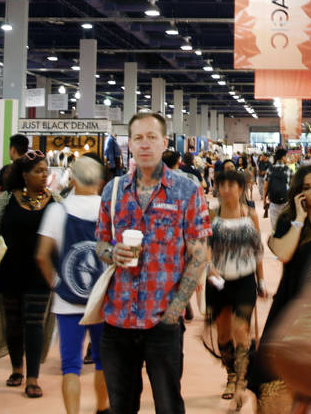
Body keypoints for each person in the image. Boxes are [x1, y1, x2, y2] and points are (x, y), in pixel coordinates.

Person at [94, 112, 211, 414]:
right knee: (121, 405)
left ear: (164, 143)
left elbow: (199, 254)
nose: (144, 144)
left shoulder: (187, 190)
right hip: (117, 317)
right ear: (129, 144)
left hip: (162, 319)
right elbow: (101, 244)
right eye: (138, 138)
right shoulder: (114, 190)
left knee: (168, 404)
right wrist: (112, 253)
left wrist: (175, 310)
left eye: (151, 137)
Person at [250, 165, 311, 413]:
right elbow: (283, 254)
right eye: (307, 187)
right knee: (273, 382)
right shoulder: (289, 221)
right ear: (299, 194)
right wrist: (300, 219)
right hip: (290, 306)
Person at [0, 150, 62, 399]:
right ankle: (16, 368)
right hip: (10, 271)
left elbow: (67, 233)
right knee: (14, 323)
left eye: (46, 171)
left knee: (34, 323)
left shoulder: (55, 201)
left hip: (41, 273)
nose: (44, 175)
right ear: (24, 175)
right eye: (38, 171)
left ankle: (33, 377)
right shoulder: (7, 199)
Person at [36, 156, 110, 414]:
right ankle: (102, 408)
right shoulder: (108, 210)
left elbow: (42, 254)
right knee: (103, 361)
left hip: (67, 299)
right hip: (103, 299)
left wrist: (56, 282)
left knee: (71, 365)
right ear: (101, 182)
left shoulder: (58, 210)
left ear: (72, 179)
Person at [204, 169, 267, 408]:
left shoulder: (250, 215)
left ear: (242, 189)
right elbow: (206, 245)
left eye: (232, 185)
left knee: (242, 330)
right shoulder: (212, 214)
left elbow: (257, 250)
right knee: (223, 335)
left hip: (244, 280)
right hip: (218, 282)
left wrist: (261, 281)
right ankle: (230, 373)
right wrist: (210, 268)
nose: (227, 190)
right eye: (222, 185)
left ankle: (241, 381)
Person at [263, 148, 291, 223]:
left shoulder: (270, 169)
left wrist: (264, 201)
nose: (287, 159)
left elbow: (265, 188)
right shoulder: (288, 170)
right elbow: (292, 187)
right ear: (283, 157)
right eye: (286, 157)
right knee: (285, 226)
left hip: (273, 202)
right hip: (285, 202)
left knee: (274, 227)